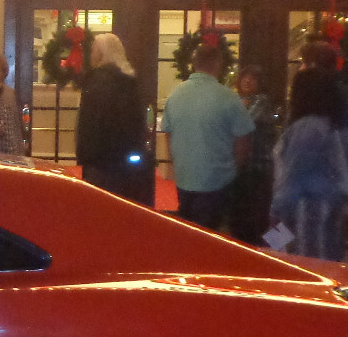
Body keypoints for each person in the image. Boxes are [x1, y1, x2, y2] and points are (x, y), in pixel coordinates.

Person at [160, 44, 255, 230]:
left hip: (185, 177)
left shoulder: (175, 95)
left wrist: (177, 164)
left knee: (188, 229)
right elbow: (243, 140)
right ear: (218, 65)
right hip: (218, 180)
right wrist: (234, 169)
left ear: (194, 64)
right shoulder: (228, 97)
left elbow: (168, 134)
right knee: (212, 233)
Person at [269, 68, 348, 260]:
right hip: (333, 205)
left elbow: (293, 175)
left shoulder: (307, 127)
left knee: (306, 263)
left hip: (306, 208)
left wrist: (276, 210)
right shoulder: (336, 125)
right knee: (330, 260)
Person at [75, 33, 146, 202]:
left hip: (99, 162)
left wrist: (84, 154)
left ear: (102, 53)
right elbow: (135, 122)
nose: (90, 54)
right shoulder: (129, 81)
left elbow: (90, 124)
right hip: (124, 162)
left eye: (94, 50)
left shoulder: (97, 81)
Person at [228, 64, 278, 244]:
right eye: (244, 78)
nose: (247, 81)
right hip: (242, 166)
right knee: (243, 215)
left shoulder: (261, 100)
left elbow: (244, 123)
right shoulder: (238, 100)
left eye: (252, 78)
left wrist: (236, 108)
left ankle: (271, 252)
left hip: (258, 167)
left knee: (260, 214)